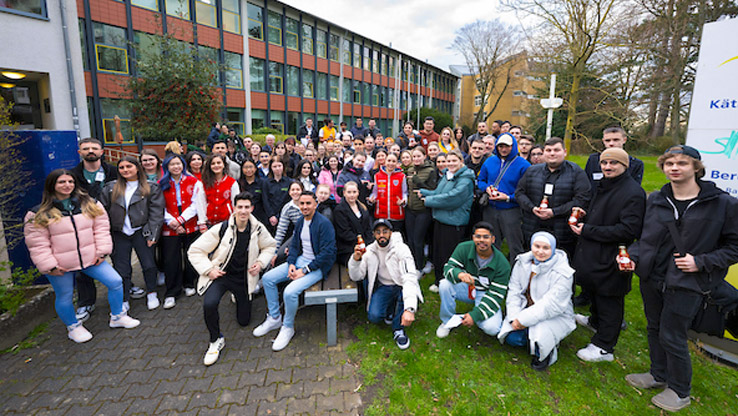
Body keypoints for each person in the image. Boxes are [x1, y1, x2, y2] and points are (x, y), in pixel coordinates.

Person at [624, 146, 738, 412]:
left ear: (696, 167)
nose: (675, 168)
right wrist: (633, 256)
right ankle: (657, 374)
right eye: (669, 163)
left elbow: (734, 247)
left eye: (682, 163)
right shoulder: (656, 199)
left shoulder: (723, 204)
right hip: (652, 277)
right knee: (653, 328)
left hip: (688, 283)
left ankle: (679, 390)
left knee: (673, 334)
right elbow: (646, 238)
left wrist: (701, 262)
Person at [24, 169, 140, 343]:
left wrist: (101, 252)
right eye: (61, 182)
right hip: (61, 264)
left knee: (115, 281)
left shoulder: (90, 204)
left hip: (91, 258)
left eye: (70, 181)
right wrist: (50, 265)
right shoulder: (38, 213)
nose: (67, 185)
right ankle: (73, 327)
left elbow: (101, 228)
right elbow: (37, 243)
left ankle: (118, 317)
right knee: (65, 295)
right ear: (52, 185)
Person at [569, 148, 646, 362]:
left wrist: (588, 229)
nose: (608, 167)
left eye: (614, 163)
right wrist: (588, 215)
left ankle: (604, 346)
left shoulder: (632, 192)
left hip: (612, 254)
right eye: (604, 163)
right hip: (594, 252)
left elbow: (629, 230)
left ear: (625, 165)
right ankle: (595, 321)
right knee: (594, 290)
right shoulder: (605, 185)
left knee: (609, 298)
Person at [188, 192, 276, 366]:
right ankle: (215, 340)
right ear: (234, 208)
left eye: (246, 207)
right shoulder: (222, 228)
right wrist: (209, 270)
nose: (243, 211)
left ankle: (238, 297)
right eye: (239, 207)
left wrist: (260, 263)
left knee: (244, 322)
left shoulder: (258, 229)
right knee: (209, 304)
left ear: (252, 208)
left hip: (244, 279)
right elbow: (195, 250)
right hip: (222, 275)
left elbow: (270, 246)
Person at [253, 191, 337, 351]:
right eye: (302, 203)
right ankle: (274, 317)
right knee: (268, 279)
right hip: (299, 262)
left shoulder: (323, 223)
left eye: (308, 203)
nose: (305, 207)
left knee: (289, 292)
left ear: (315, 204)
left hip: (317, 267)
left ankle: (287, 327)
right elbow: (295, 246)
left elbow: (328, 253)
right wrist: (291, 263)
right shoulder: (299, 222)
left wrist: (304, 270)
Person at [498, 232, 576, 371]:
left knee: (540, 339)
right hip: (526, 308)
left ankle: (547, 350)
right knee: (511, 338)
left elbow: (551, 305)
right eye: (537, 246)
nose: (540, 251)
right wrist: (514, 316)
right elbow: (514, 290)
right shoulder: (522, 262)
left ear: (553, 249)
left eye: (546, 248)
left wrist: (522, 320)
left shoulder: (564, 273)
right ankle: (531, 338)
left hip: (553, 314)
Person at [101, 156, 165, 311]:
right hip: (119, 233)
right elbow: (102, 212)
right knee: (122, 268)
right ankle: (124, 298)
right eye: (122, 167)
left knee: (148, 265)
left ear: (137, 168)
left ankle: (151, 292)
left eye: (129, 166)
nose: (125, 170)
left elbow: (156, 213)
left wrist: (153, 235)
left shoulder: (150, 187)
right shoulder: (110, 188)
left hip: (141, 231)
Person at [349, 219, 421, 349]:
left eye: (385, 231)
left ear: (391, 233)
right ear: (374, 235)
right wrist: (355, 259)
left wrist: (410, 309)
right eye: (378, 232)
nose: (381, 235)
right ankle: (391, 308)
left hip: (401, 285)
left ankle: (398, 329)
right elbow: (357, 276)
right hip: (384, 286)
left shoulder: (401, 249)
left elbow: (410, 278)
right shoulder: (370, 251)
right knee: (374, 316)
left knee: (405, 299)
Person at [514, 137, 590, 256]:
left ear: (564, 152)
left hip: (563, 233)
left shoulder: (576, 172)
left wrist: (554, 212)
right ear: (544, 152)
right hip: (532, 228)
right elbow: (519, 193)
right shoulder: (532, 171)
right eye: (549, 150)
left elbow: (582, 199)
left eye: (556, 150)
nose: (552, 153)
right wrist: (532, 208)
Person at [436, 222, 511, 339]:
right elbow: (447, 268)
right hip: (466, 288)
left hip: (486, 293)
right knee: (444, 284)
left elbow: (496, 294)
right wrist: (459, 274)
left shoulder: (503, 264)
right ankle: (447, 321)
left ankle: (478, 313)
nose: (482, 240)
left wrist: (474, 315)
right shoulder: (463, 248)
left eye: (486, 237)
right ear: (473, 238)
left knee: (492, 329)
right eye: (478, 236)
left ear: (493, 239)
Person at [69, 137, 117, 322]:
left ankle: (124, 290)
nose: (91, 151)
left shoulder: (114, 171)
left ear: (102, 151)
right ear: (79, 152)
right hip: (84, 226)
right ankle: (86, 301)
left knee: (120, 258)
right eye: (86, 148)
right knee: (83, 265)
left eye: (94, 148)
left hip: (115, 222)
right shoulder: (72, 175)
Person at [418, 150, 476, 293]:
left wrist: (428, 200)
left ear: (461, 161)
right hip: (441, 220)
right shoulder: (447, 175)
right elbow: (440, 193)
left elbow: (452, 198)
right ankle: (440, 281)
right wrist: (424, 192)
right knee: (439, 253)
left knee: (449, 256)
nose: (450, 164)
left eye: (453, 161)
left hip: (453, 223)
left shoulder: (465, 180)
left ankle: (449, 285)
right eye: (448, 161)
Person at [158, 155, 204, 309]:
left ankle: (189, 283)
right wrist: (172, 221)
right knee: (171, 259)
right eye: (172, 164)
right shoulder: (160, 184)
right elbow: (158, 206)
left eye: (178, 164)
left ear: (183, 165)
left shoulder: (194, 182)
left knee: (190, 255)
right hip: (169, 224)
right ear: (167, 167)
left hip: (189, 222)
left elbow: (196, 204)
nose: (175, 167)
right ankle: (172, 292)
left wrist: (180, 220)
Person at [477, 133, 531, 263]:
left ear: (513, 146)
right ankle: (492, 270)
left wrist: (507, 197)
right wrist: (487, 188)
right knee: (490, 242)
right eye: (500, 146)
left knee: (514, 244)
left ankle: (515, 274)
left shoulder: (523, 165)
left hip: (511, 210)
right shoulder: (490, 161)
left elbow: (526, 191)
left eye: (506, 146)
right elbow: (480, 180)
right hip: (490, 208)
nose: (503, 149)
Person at [584, 126, 645, 196]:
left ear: (624, 140)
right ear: (603, 141)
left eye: (616, 140)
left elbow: (634, 190)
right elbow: (586, 186)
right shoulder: (593, 160)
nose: (611, 143)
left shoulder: (636, 164)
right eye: (607, 140)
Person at [405, 146, 437, 275]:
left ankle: (419, 267)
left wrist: (418, 182)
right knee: (410, 240)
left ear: (424, 156)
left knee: (418, 240)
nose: (416, 159)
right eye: (414, 157)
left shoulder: (430, 171)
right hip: (410, 209)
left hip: (423, 210)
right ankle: (411, 264)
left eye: (419, 156)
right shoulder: (410, 169)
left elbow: (433, 190)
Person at [333, 181, 374, 265]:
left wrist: (369, 243)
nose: (352, 195)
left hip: (364, 243)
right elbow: (345, 233)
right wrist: (362, 244)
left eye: (354, 192)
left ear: (358, 193)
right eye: (349, 192)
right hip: (348, 247)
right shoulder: (339, 210)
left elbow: (368, 228)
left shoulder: (363, 207)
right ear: (344, 193)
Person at [197, 154, 240, 228]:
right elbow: (201, 203)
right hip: (209, 223)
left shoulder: (232, 182)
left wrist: (235, 220)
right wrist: (202, 223)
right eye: (213, 164)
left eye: (219, 163)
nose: (216, 165)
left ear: (223, 165)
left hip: (227, 222)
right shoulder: (204, 183)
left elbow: (235, 203)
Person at [368, 152, 407, 233]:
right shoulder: (377, 176)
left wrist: (404, 201)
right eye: (389, 160)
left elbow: (405, 193)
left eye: (393, 161)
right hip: (381, 214)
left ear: (397, 163)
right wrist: (372, 199)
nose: (391, 163)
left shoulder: (402, 176)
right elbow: (375, 192)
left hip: (397, 215)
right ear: (385, 161)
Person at [272, 181, 306, 263]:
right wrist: (274, 251)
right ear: (289, 192)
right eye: (292, 190)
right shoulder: (287, 208)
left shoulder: (307, 204)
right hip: (297, 235)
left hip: (310, 235)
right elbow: (281, 230)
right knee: (280, 255)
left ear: (302, 191)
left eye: (298, 189)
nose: (295, 192)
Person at [263, 156, 293, 233]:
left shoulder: (289, 182)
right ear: (271, 168)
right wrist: (271, 215)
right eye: (274, 166)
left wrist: (279, 216)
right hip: (270, 218)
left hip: (285, 216)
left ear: (283, 167)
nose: (277, 168)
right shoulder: (266, 182)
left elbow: (288, 200)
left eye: (279, 166)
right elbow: (265, 200)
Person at [237, 158, 267, 224]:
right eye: (245, 167)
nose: (248, 170)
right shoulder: (238, 183)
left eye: (251, 167)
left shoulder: (262, 182)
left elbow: (266, 200)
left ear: (255, 168)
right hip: (242, 216)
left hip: (259, 217)